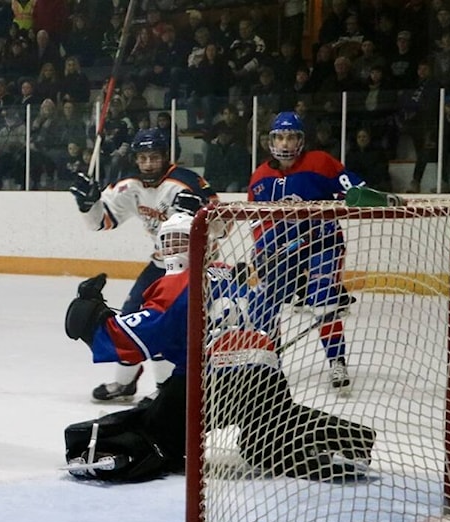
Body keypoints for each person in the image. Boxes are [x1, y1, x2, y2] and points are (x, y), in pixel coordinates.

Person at [61, 214, 375, 483]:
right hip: (266, 379)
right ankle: (350, 443)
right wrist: (310, 292)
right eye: (168, 241)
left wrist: (92, 318)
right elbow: (268, 319)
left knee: (154, 431)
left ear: (202, 244)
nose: (173, 249)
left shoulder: (177, 283)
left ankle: (108, 453)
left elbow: (134, 339)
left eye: (180, 241)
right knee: (266, 444)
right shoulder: (236, 279)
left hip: (211, 383)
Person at [70, 127, 218, 403]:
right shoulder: (130, 187)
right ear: (136, 159)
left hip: (192, 266)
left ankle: (167, 389)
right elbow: (100, 222)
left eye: (154, 157)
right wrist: (88, 205)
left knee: (170, 328)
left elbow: (223, 225)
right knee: (130, 317)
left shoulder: (187, 182)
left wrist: (201, 213)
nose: (148, 164)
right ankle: (125, 384)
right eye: (143, 158)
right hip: (161, 263)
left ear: (165, 156)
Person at [248, 111, 365, 390]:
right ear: (271, 140)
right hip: (283, 250)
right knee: (262, 304)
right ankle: (268, 361)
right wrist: (264, 250)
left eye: (291, 136)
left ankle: (337, 361)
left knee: (323, 301)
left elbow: (355, 189)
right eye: (279, 136)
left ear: (301, 140)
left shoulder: (320, 162)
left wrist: (361, 195)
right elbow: (256, 219)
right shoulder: (260, 177)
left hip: (323, 244)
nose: (285, 143)